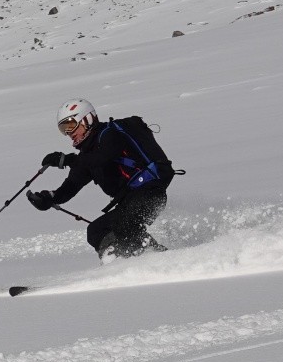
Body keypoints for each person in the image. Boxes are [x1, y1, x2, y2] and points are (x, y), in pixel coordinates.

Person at [28, 99, 175, 260]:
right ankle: (124, 262)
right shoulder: (86, 156)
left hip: (149, 194)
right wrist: (50, 198)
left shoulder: (109, 135)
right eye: (64, 129)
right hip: (131, 201)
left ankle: (154, 259)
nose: (68, 133)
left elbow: (103, 157)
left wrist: (68, 160)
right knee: (95, 231)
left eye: (70, 125)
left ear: (87, 119)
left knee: (124, 225)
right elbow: (72, 185)